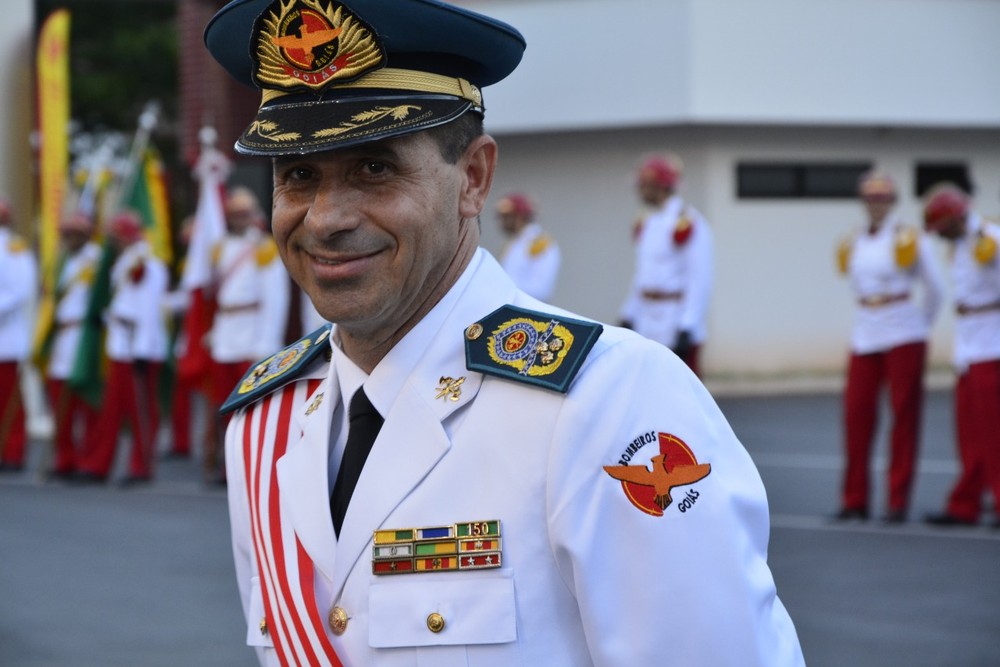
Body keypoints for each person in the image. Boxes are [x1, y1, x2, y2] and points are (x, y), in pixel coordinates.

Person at [205, 1, 804, 664]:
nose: (325, 218)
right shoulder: (266, 422)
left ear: (474, 178)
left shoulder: (604, 399)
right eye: (298, 176)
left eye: (374, 169)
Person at [833, 170, 944, 523]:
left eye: (882, 198)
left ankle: (897, 501)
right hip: (866, 330)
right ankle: (854, 500)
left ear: (892, 201)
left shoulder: (909, 237)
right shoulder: (855, 240)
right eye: (870, 198)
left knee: (903, 419)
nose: (876, 204)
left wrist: (918, 327)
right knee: (856, 415)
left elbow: (935, 289)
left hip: (902, 330)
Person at [921, 184, 1000, 527]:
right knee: (968, 434)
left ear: (955, 218)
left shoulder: (990, 238)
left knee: (994, 433)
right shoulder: (958, 245)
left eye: (943, 228)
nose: (940, 236)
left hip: (992, 343)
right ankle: (964, 505)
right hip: (968, 345)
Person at [204, 186, 289, 484]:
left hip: (252, 338)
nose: (239, 219)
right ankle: (226, 467)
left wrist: (266, 345)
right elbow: (217, 296)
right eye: (234, 214)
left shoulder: (264, 248)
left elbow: (275, 300)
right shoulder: (220, 247)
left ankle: (248, 469)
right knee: (223, 408)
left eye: (244, 213)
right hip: (225, 337)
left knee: (251, 411)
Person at [79, 210, 169, 484]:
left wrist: (142, 351)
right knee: (111, 410)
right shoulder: (128, 261)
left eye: (117, 236)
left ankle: (141, 466)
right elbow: (124, 303)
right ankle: (99, 465)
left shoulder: (147, 265)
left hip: (137, 348)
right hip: (121, 346)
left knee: (140, 409)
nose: (114, 241)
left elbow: (149, 312)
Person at [619, 154, 714, 376]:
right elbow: (643, 275)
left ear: (660, 186)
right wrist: (628, 313)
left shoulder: (688, 223)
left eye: (644, 185)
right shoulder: (649, 223)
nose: (639, 190)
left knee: (679, 400)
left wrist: (688, 325)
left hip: (674, 319)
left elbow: (699, 277)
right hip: (646, 320)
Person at [43, 211, 103, 478]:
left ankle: (87, 460)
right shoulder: (62, 260)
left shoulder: (96, 259)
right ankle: (64, 459)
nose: (71, 238)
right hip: (62, 336)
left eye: (76, 233)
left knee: (87, 404)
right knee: (60, 403)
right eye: (68, 233)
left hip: (84, 337)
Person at [0, 197, 38, 472]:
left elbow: (19, 290)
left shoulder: (14, 249)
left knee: (8, 399)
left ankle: (12, 452)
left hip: (6, 338)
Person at [495, 192, 560, 301]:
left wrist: (504, 289)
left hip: (527, 311)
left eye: (508, 217)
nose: (503, 222)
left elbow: (540, 288)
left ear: (521, 217)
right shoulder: (514, 243)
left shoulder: (540, 243)